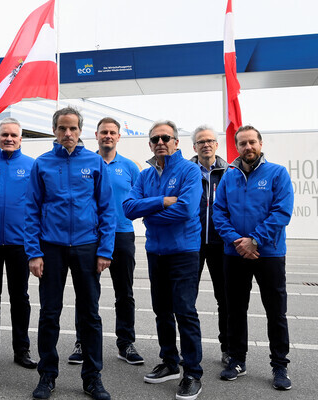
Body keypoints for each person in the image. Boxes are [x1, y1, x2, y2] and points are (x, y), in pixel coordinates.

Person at [25, 107, 115, 400]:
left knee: (90, 315)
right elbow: (31, 210)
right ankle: (47, 375)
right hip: (51, 247)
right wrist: (34, 252)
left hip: (87, 246)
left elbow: (107, 208)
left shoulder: (94, 162)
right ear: (54, 131)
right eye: (62, 128)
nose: (67, 134)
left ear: (80, 130)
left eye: (73, 128)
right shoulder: (42, 163)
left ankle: (92, 378)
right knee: (49, 313)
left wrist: (105, 249)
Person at [123, 120, 203, 400]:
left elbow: (186, 210)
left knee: (185, 311)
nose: (160, 142)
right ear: (149, 144)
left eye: (165, 138)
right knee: (162, 311)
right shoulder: (145, 175)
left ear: (176, 142)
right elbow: (128, 208)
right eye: (155, 138)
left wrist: (149, 215)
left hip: (183, 251)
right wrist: (161, 201)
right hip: (156, 252)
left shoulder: (189, 170)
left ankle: (192, 373)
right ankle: (170, 362)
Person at [213, 125, 294, 390]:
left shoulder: (277, 173)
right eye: (242, 143)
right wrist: (237, 241)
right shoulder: (229, 176)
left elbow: (281, 212)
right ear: (236, 146)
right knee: (235, 310)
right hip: (234, 253)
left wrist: (255, 240)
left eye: (252, 142)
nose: (247, 147)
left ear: (260, 143)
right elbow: (218, 212)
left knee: (276, 312)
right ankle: (237, 360)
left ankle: (279, 365)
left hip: (269, 253)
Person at [69, 117, 143, 366]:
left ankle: (126, 343)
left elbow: (140, 200)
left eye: (112, 132)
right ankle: (83, 342)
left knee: (124, 293)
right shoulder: (86, 163)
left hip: (122, 234)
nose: (108, 136)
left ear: (119, 136)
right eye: (104, 132)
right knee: (87, 293)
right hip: (91, 235)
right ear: (96, 135)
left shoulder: (130, 167)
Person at [0, 118, 37, 369]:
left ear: (21, 139)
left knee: (19, 297)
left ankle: (21, 350)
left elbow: (38, 204)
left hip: (19, 242)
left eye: (13, 135)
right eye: (5, 135)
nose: (9, 139)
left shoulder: (32, 166)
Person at [190, 125, 230, 366]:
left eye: (210, 141)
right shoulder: (186, 171)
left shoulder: (229, 172)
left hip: (221, 244)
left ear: (216, 144)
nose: (206, 144)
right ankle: (189, 350)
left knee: (225, 299)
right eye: (201, 141)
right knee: (186, 299)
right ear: (194, 146)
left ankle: (228, 348)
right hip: (191, 244)